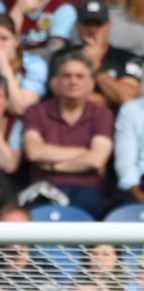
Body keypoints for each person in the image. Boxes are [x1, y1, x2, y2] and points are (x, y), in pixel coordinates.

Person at [24, 50, 116, 216]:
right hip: (43, 189)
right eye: (67, 76)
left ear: (91, 84)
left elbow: (96, 159)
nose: (73, 81)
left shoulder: (103, 114)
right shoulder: (36, 111)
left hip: (89, 192)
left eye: (80, 76)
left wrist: (52, 165)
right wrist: (82, 153)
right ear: (57, 81)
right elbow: (34, 152)